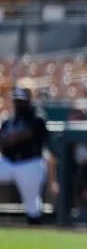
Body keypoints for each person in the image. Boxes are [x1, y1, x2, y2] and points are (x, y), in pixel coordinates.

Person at [0, 82, 49, 225]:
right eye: (16, 100)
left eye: (21, 100)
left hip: (30, 164)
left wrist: (9, 138)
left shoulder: (37, 117)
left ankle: (35, 230)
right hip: (9, 163)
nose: (18, 103)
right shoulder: (9, 120)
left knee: (32, 207)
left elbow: (26, 133)